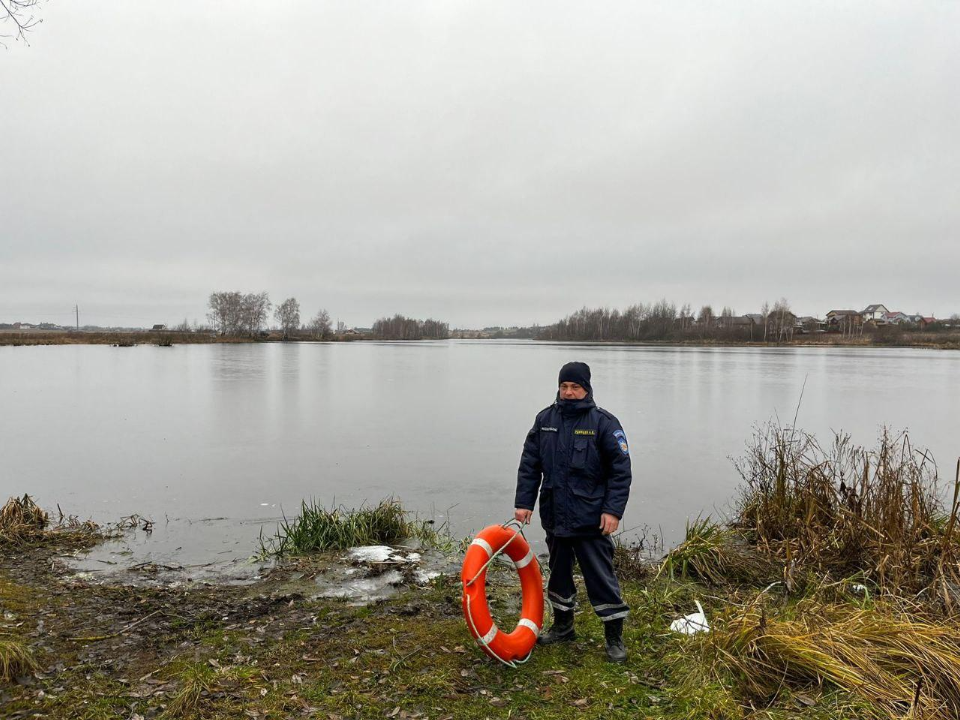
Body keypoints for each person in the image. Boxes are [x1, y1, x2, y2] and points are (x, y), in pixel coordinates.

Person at [514, 361, 632, 663]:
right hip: (555, 516)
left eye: (575, 387)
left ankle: (614, 636)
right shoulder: (545, 420)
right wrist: (524, 503)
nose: (568, 392)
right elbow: (530, 466)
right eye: (564, 386)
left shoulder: (604, 423)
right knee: (559, 574)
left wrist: (613, 511)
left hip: (592, 519)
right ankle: (563, 627)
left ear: (586, 389)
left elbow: (620, 471)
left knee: (600, 577)